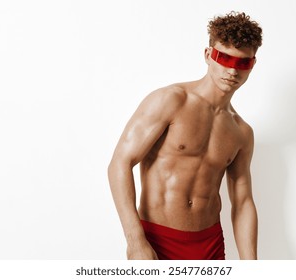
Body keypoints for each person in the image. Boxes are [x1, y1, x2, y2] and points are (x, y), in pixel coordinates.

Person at [108, 11, 263, 260]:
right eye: (224, 58)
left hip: (211, 244)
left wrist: (252, 267)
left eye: (242, 62)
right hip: (157, 239)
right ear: (207, 55)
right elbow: (120, 163)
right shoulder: (171, 100)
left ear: (253, 64)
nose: (232, 70)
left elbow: (243, 202)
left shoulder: (242, 132)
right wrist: (135, 241)